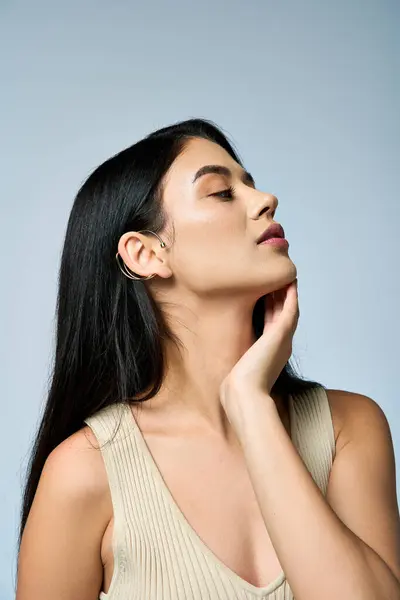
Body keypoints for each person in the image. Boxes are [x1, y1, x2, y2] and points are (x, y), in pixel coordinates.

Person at [16, 118, 400, 600]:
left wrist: (249, 402)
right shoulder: (84, 472)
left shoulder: (349, 428)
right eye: (221, 192)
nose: (266, 200)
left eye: (251, 185)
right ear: (146, 254)